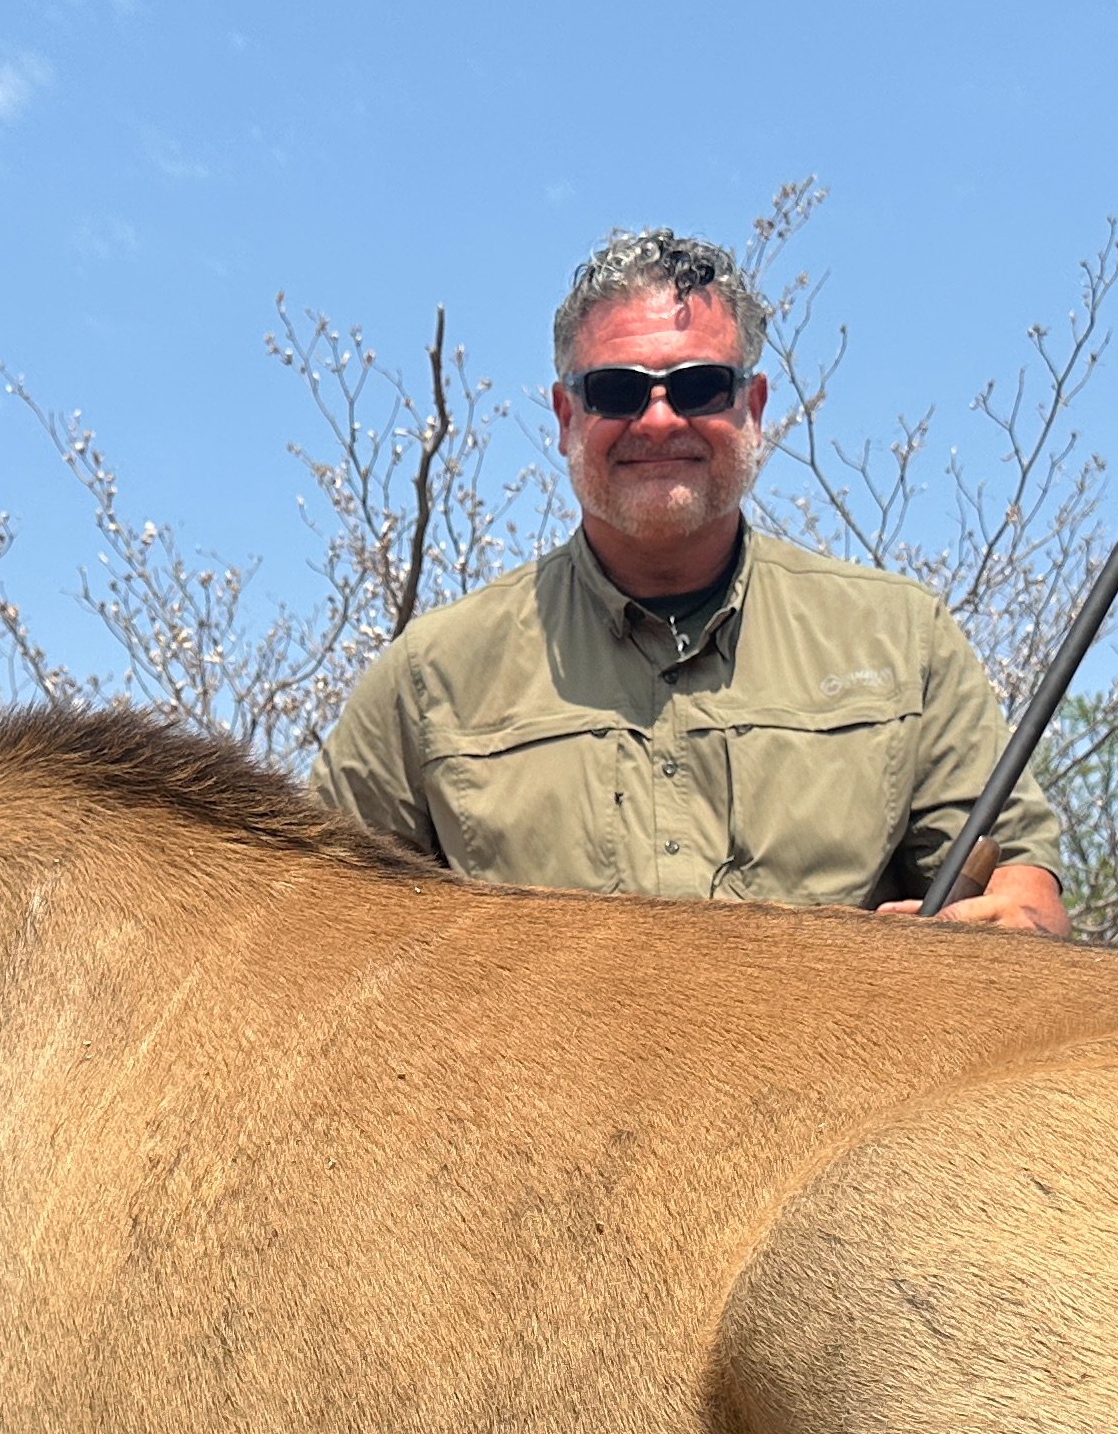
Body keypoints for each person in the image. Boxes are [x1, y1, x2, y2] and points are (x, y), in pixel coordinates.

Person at [312, 227, 1070, 936]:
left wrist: (1013, 924)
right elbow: (314, 924)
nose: (659, 419)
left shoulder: (905, 640)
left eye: (701, 385)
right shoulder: (428, 676)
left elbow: (1021, 887)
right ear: (566, 416)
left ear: (754, 407)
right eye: (617, 390)